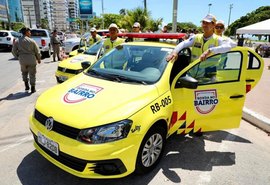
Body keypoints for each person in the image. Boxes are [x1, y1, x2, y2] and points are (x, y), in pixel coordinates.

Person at [167, 14, 233, 62]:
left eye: (207, 23)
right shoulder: (196, 37)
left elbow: (228, 47)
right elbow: (183, 44)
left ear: (213, 25)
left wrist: (210, 50)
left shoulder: (218, 39)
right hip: (192, 73)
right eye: (203, 22)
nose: (204, 25)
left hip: (208, 77)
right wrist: (175, 52)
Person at [12, 27, 41, 93]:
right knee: (32, 74)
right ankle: (33, 88)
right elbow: (37, 52)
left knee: (24, 72)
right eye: (29, 32)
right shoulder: (32, 41)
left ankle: (26, 85)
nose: (30, 33)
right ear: (27, 32)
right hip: (31, 59)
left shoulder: (17, 41)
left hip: (22, 60)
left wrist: (18, 57)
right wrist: (39, 59)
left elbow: (13, 51)